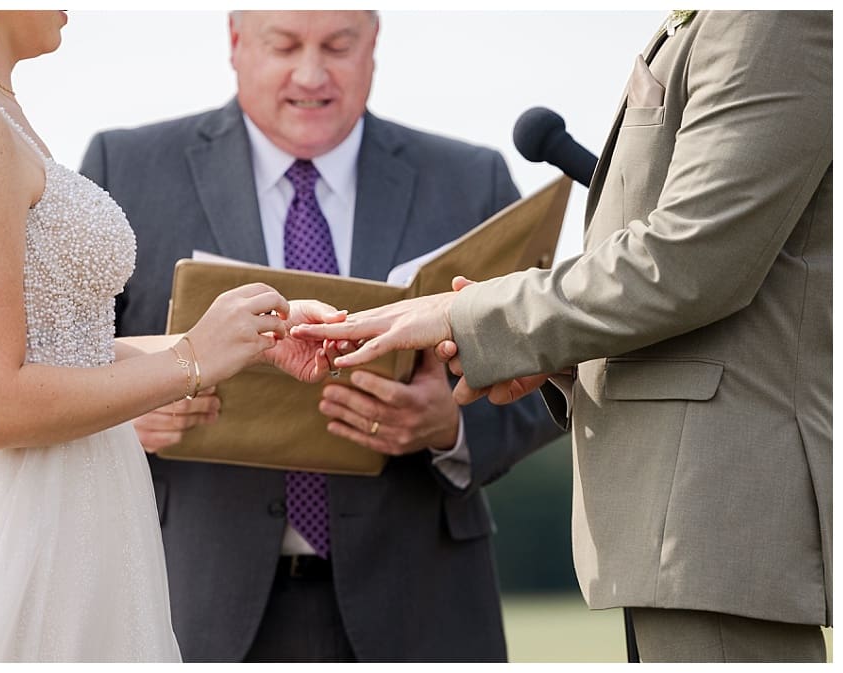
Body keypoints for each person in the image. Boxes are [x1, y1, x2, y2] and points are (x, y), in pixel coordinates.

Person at [293, 10, 832, 663]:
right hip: (675, 523)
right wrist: (557, 358)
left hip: (715, 512)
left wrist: (468, 318)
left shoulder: (770, 19)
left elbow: (693, 261)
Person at [0, 10, 344, 662]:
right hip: (8, 527)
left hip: (52, 510)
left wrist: (243, 340)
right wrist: (193, 359)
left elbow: (56, 351)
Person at [80, 10, 562, 663]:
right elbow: (61, 372)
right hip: (190, 603)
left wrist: (449, 426)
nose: (312, 74)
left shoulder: (472, 180)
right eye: (286, 45)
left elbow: (548, 384)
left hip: (423, 605)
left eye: (338, 45)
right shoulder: (126, 168)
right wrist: (128, 416)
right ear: (236, 44)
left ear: (373, 46)